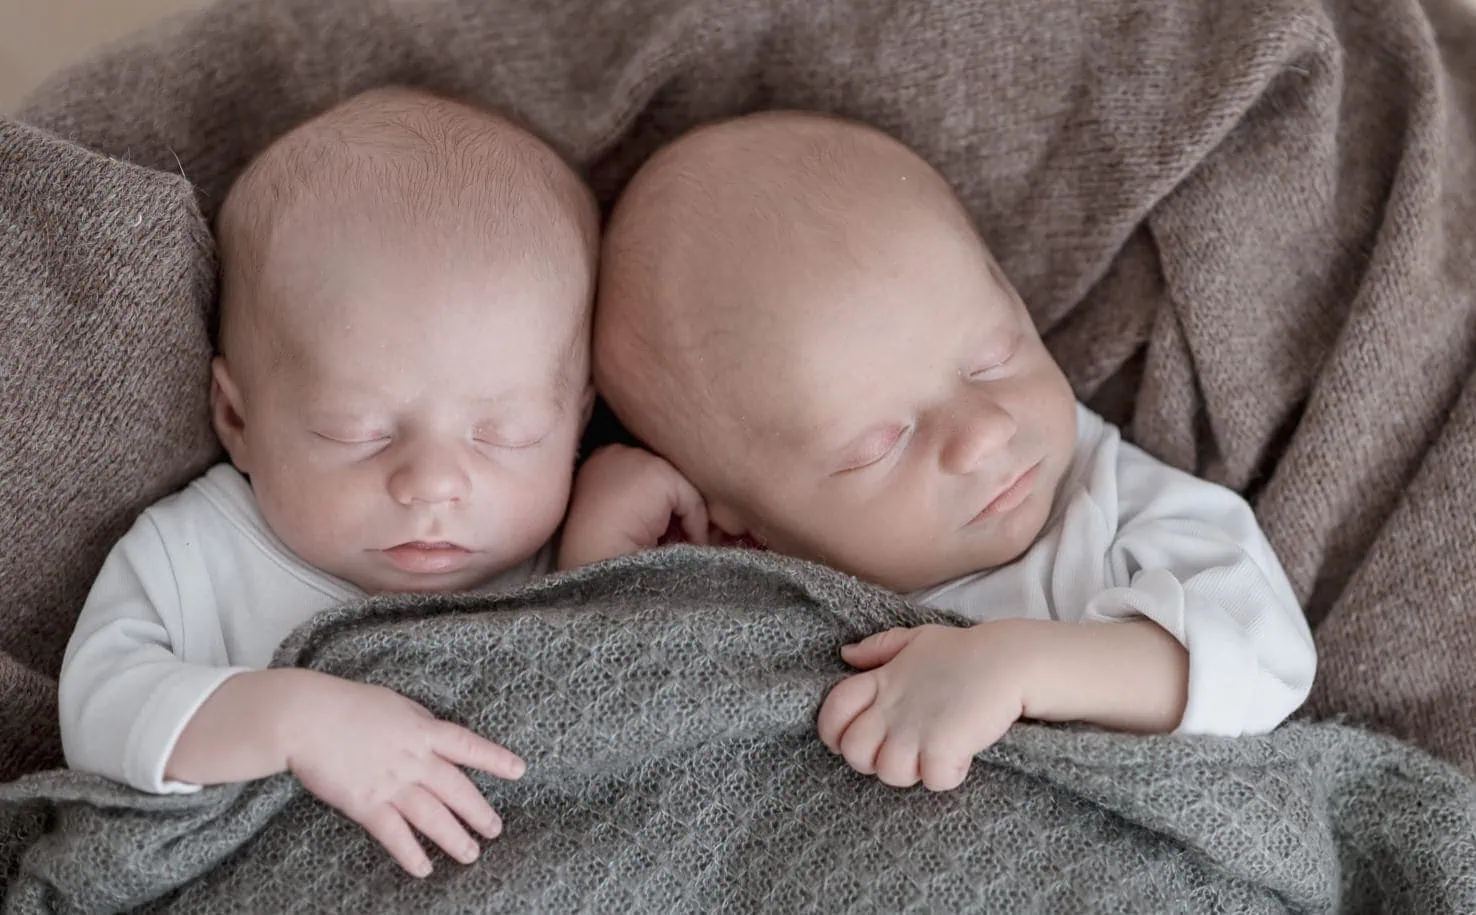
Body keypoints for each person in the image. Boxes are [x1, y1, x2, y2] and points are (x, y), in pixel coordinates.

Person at [566, 110, 1317, 792]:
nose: (983, 429)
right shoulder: (757, 584)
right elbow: (614, 730)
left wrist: (1017, 664)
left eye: (995, 356)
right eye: (879, 444)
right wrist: (599, 565)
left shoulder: (1117, 509)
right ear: (746, 526)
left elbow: (1263, 658)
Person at [59, 86, 599, 877]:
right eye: (358, 430)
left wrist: (617, 532)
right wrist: (292, 719)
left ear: (579, 426)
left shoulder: (569, 539)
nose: (432, 483)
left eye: (505, 434)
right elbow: (97, 707)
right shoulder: (197, 554)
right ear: (237, 418)